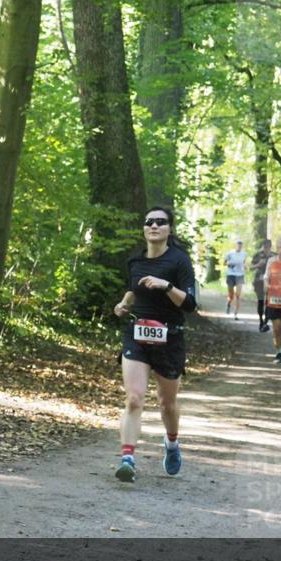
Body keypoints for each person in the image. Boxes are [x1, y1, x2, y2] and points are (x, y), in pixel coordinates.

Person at [112, 207, 197, 483]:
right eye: (149, 222)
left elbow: (190, 304)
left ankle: (172, 443)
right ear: (144, 228)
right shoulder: (135, 261)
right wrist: (124, 305)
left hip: (169, 339)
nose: (154, 226)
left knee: (166, 404)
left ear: (169, 228)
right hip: (136, 335)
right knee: (134, 397)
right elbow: (133, 289)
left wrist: (166, 286)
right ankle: (128, 459)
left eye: (160, 222)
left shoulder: (180, 261)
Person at [250, 239, 273, 332]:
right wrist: (258, 264)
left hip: (271, 282)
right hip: (259, 281)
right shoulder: (257, 255)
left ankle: (266, 322)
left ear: (270, 247)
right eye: (265, 247)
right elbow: (250, 267)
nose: (266, 249)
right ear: (263, 246)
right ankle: (260, 321)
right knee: (260, 301)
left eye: (268, 247)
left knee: (269, 303)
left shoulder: (274, 256)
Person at [223, 240, 248, 319]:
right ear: (235, 246)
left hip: (240, 275)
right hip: (231, 275)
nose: (239, 247)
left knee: (237, 295)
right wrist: (228, 263)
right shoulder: (230, 253)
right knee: (231, 295)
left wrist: (245, 266)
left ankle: (235, 314)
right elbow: (224, 263)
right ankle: (229, 303)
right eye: (238, 245)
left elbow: (244, 263)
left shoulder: (244, 254)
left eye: (240, 246)